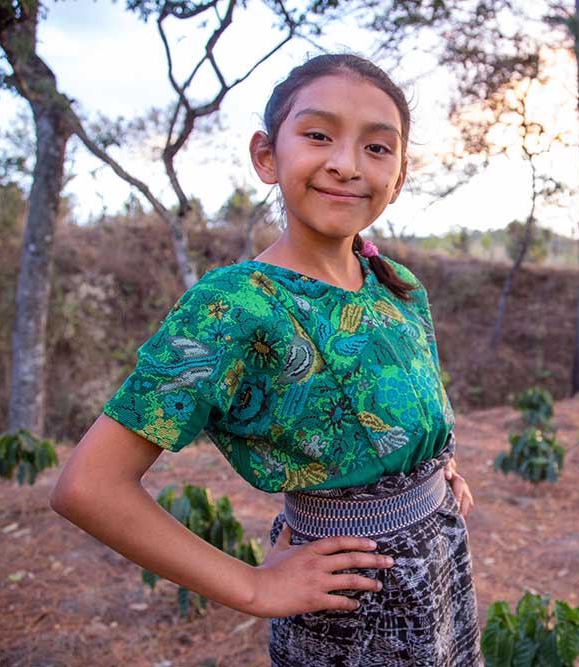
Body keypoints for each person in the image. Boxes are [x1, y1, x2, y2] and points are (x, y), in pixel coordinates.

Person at [50, 53, 480, 666]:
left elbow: (410, 404)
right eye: (318, 135)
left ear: (400, 175)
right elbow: (88, 487)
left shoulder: (394, 283)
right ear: (267, 156)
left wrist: (436, 468)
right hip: (351, 607)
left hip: (442, 571)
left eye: (377, 148)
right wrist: (254, 586)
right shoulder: (233, 307)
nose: (345, 162)